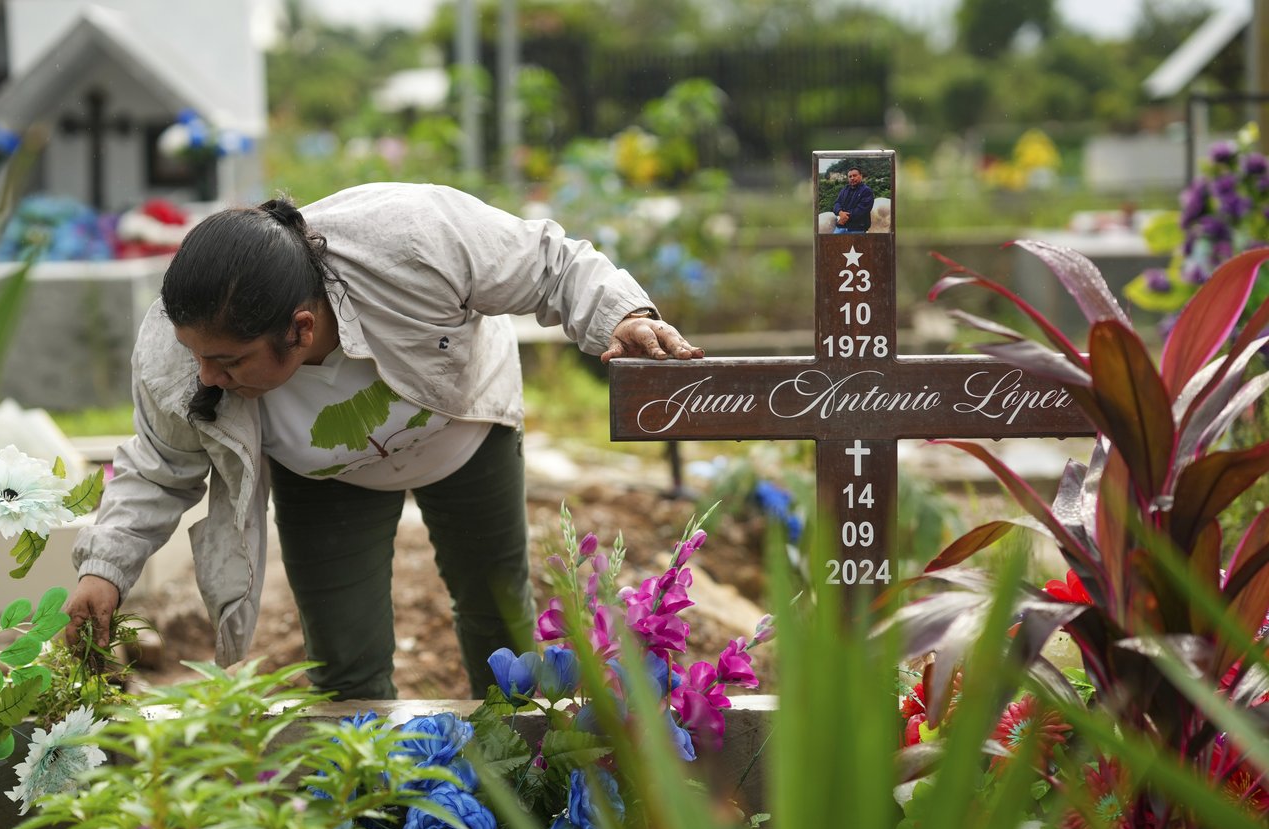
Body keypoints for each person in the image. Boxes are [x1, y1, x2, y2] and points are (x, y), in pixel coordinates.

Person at [62, 183, 703, 700]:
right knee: (346, 668)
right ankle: (379, 819)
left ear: (301, 328)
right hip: (326, 478)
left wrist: (623, 314)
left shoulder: (412, 238)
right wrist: (105, 569)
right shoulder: (186, 352)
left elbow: (549, 263)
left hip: (463, 434)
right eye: (198, 358)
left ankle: (521, 785)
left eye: (229, 363)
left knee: (497, 618)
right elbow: (159, 466)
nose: (207, 377)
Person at [831, 167, 875, 234]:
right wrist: (840, 212)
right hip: (841, 227)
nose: (852, 178)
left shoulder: (866, 191)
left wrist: (844, 218)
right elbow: (837, 203)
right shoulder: (845, 189)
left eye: (854, 175)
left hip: (857, 228)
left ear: (861, 176)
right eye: (850, 176)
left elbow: (862, 210)